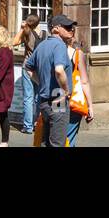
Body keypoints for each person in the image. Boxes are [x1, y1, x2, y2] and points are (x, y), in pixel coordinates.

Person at [24, 14, 74, 148]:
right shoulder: (59, 46)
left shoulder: (42, 45)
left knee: (46, 142)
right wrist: (66, 91)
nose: (72, 30)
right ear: (56, 29)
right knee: (57, 143)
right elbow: (59, 70)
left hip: (44, 101)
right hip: (58, 98)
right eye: (68, 27)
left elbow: (27, 66)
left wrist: (41, 82)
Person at [63, 22, 93, 146]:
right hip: (73, 98)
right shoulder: (77, 54)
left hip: (56, 97)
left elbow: (29, 68)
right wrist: (90, 106)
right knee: (69, 135)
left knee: (58, 133)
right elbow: (84, 81)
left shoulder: (49, 49)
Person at [13, 14, 43, 135]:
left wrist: (21, 28)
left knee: (28, 97)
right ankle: (37, 122)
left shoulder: (27, 34)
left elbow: (14, 42)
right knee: (38, 97)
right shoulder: (44, 33)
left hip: (28, 67)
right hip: (40, 68)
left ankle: (28, 126)